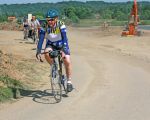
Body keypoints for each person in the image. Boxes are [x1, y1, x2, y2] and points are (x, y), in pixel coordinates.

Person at [36, 9, 73, 92]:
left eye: (52, 19)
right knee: (46, 53)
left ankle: (69, 81)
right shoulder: (44, 25)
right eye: (48, 20)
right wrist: (38, 51)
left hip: (61, 44)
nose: (50, 22)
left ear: (56, 18)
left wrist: (63, 50)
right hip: (51, 44)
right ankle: (54, 67)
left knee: (67, 61)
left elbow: (64, 38)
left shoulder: (61, 24)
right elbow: (41, 39)